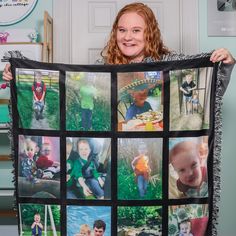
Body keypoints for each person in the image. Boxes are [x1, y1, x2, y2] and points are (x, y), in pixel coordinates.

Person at [3, 3, 235, 88]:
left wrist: (225, 65)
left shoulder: (171, 64)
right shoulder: (101, 67)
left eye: (136, 30)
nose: (128, 37)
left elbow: (206, 92)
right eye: (122, 30)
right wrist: (21, 76)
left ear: (149, 34)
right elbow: (68, 89)